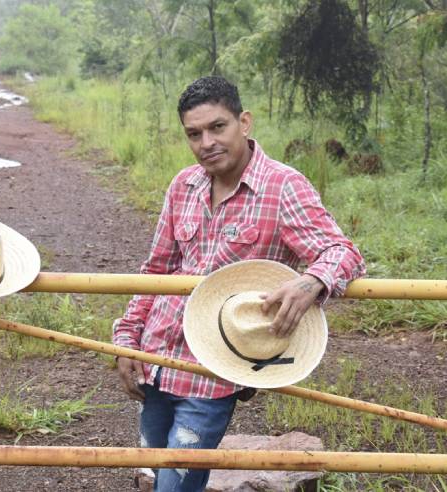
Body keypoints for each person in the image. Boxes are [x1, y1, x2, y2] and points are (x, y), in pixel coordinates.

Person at [113, 76, 366, 491]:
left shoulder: (283, 186)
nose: (206, 143)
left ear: (243, 123)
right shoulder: (184, 185)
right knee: (148, 472)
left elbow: (343, 251)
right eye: (193, 134)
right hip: (156, 354)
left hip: (214, 368)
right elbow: (156, 268)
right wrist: (126, 339)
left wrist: (310, 283)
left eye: (217, 127)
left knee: (177, 484)